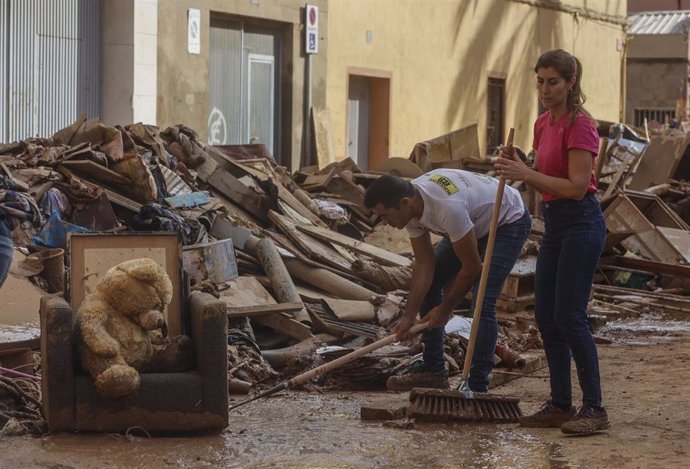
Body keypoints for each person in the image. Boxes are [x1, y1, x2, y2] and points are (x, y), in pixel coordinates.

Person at [495, 49, 609, 435]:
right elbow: (545, 171)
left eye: (553, 82)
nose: (545, 89)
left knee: (569, 316)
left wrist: (526, 172)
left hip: (582, 222)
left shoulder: (581, 125)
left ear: (571, 82)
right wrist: (520, 161)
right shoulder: (543, 123)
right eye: (540, 81)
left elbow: (577, 187)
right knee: (546, 316)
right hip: (555, 225)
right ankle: (561, 403)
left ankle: (594, 408)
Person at [363, 169, 531, 392]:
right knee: (431, 283)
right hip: (473, 220)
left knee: (482, 300)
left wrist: (445, 309)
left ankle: (477, 384)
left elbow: (472, 268)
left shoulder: (446, 207)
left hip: (507, 221)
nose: (383, 223)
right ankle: (434, 370)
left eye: (384, 215)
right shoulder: (411, 209)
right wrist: (409, 315)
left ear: (404, 203)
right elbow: (425, 266)